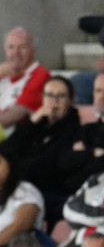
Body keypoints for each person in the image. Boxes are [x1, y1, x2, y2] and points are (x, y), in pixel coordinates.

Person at [6, 76, 94, 230]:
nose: (55, 101)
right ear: (42, 98)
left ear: (71, 100)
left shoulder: (74, 125)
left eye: (61, 96)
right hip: (22, 187)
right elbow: (6, 151)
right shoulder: (34, 124)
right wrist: (33, 121)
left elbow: (50, 161)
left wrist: (14, 169)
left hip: (50, 191)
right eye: (49, 95)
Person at [0, 27, 51, 134]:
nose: (15, 52)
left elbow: (14, 116)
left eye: (22, 47)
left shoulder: (40, 74)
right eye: (11, 47)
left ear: (33, 50)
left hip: (19, 138)